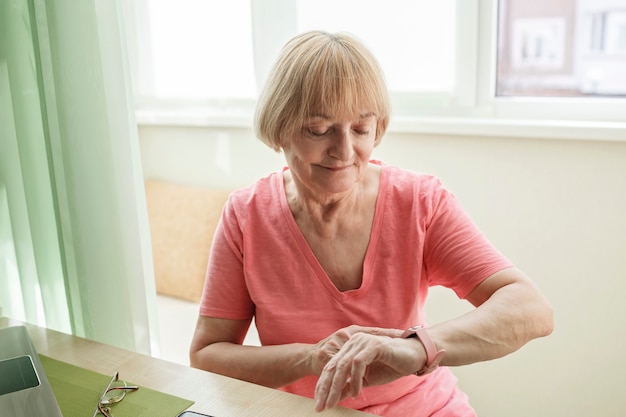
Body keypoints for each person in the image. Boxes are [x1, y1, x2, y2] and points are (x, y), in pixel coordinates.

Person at [189, 30, 553, 417]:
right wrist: (312, 358)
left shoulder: (419, 201)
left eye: (361, 128)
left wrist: (416, 347)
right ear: (280, 127)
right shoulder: (246, 215)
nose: (344, 151)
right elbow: (208, 354)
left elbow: (531, 309)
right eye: (319, 128)